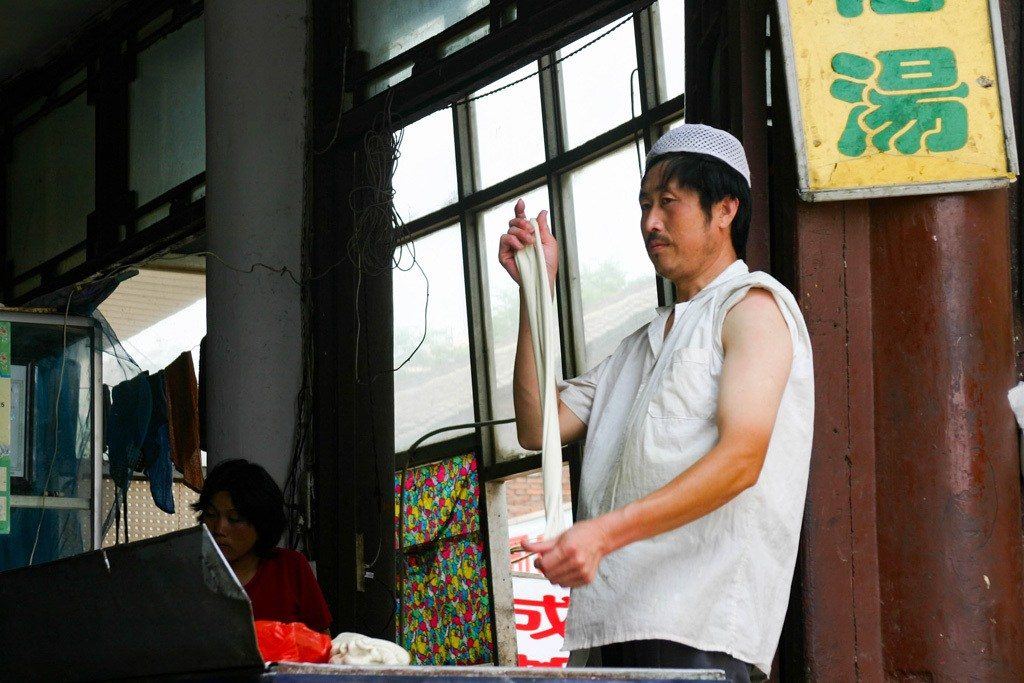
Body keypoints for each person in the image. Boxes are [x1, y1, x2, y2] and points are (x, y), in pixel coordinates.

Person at [498, 124, 814, 682]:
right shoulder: (637, 348)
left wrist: (601, 534)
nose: (650, 222)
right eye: (645, 204)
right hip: (615, 624)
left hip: (698, 626)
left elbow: (742, 460)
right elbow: (535, 426)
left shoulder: (753, 308)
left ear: (724, 209)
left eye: (668, 203)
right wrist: (534, 290)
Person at [193, 459, 332, 633]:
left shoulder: (290, 567)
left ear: (262, 523)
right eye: (211, 514)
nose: (219, 529)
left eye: (234, 518)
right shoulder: (191, 572)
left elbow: (323, 643)